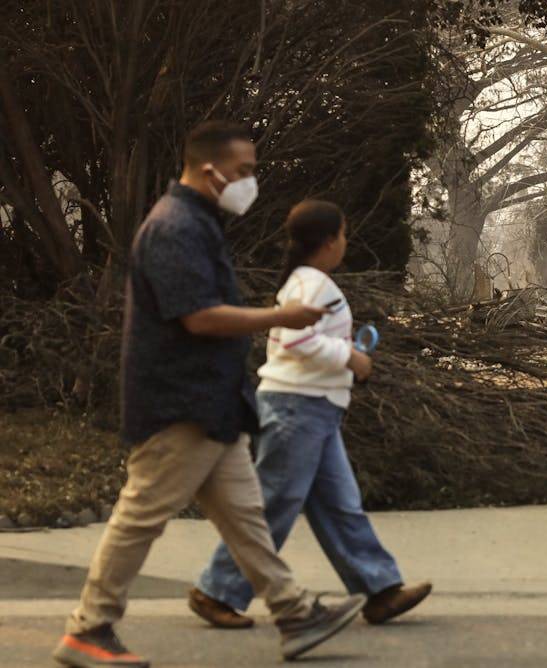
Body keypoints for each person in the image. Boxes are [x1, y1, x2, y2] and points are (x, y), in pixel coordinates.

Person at [53, 122, 366, 668]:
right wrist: (283, 316)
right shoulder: (174, 228)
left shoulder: (198, 224)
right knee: (141, 515)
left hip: (212, 403)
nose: (250, 182)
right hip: (181, 403)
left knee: (246, 517)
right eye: (243, 172)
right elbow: (199, 318)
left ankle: (294, 613)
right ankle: (89, 629)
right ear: (208, 169)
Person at [187, 200, 431, 630]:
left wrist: (343, 353)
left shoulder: (309, 282)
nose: (346, 243)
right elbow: (290, 339)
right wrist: (351, 358)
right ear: (328, 242)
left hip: (312, 408)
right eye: (344, 234)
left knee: (340, 506)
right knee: (275, 504)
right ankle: (216, 591)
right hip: (296, 407)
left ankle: (379, 590)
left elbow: (301, 338)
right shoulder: (313, 285)